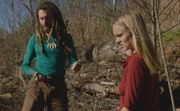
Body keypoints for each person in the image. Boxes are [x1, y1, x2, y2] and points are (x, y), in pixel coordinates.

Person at [21, 2, 81, 111]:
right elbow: (25, 65)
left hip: (58, 84)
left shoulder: (66, 38)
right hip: (38, 83)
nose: (44, 21)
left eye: (47, 18)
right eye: (41, 18)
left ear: (54, 16)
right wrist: (34, 73)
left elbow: (73, 60)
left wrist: (75, 66)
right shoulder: (35, 39)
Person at [111, 12, 161, 111]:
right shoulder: (146, 58)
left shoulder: (136, 63)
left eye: (120, 35)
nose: (116, 41)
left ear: (133, 32)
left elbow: (129, 107)